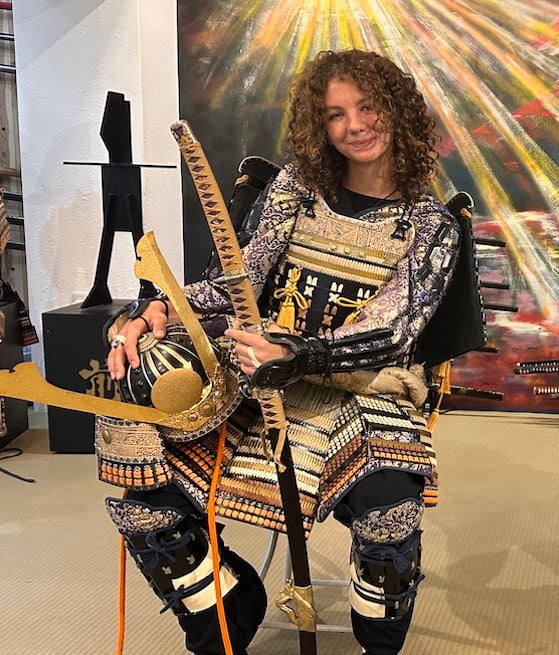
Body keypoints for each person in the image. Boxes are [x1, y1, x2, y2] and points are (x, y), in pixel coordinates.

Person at [101, 49, 463, 655]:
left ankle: (380, 639)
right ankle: (225, 610)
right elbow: (232, 284)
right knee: (144, 492)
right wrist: (161, 305)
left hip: (369, 392)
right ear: (318, 127)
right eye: (335, 114)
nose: (355, 125)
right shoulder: (295, 191)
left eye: (367, 106)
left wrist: (297, 354)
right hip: (260, 381)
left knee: (389, 511)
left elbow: (392, 331)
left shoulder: (430, 224)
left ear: (397, 110)